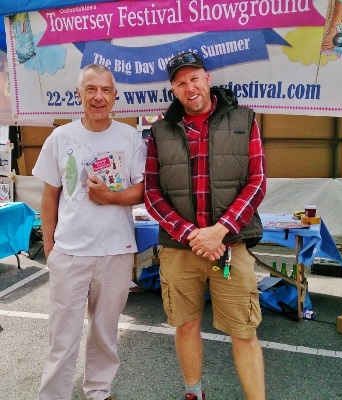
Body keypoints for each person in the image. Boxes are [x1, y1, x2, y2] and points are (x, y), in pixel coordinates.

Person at [144, 51, 267, 400]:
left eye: (194, 78)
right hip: (180, 250)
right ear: (174, 90)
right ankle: (194, 394)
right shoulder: (160, 130)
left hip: (230, 246)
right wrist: (191, 234)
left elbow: (257, 182)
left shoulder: (244, 119)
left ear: (207, 79)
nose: (189, 87)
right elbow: (152, 191)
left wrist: (221, 229)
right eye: (181, 83)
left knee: (243, 329)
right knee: (185, 324)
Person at [33, 63, 147, 400]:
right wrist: (50, 247)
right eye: (91, 89)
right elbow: (49, 194)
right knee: (62, 336)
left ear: (115, 97)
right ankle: (54, 396)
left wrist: (109, 197)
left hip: (116, 251)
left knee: (105, 331)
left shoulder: (130, 137)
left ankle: (98, 390)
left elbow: (143, 191)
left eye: (106, 90)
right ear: (79, 95)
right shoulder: (61, 137)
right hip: (69, 253)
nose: (99, 96)